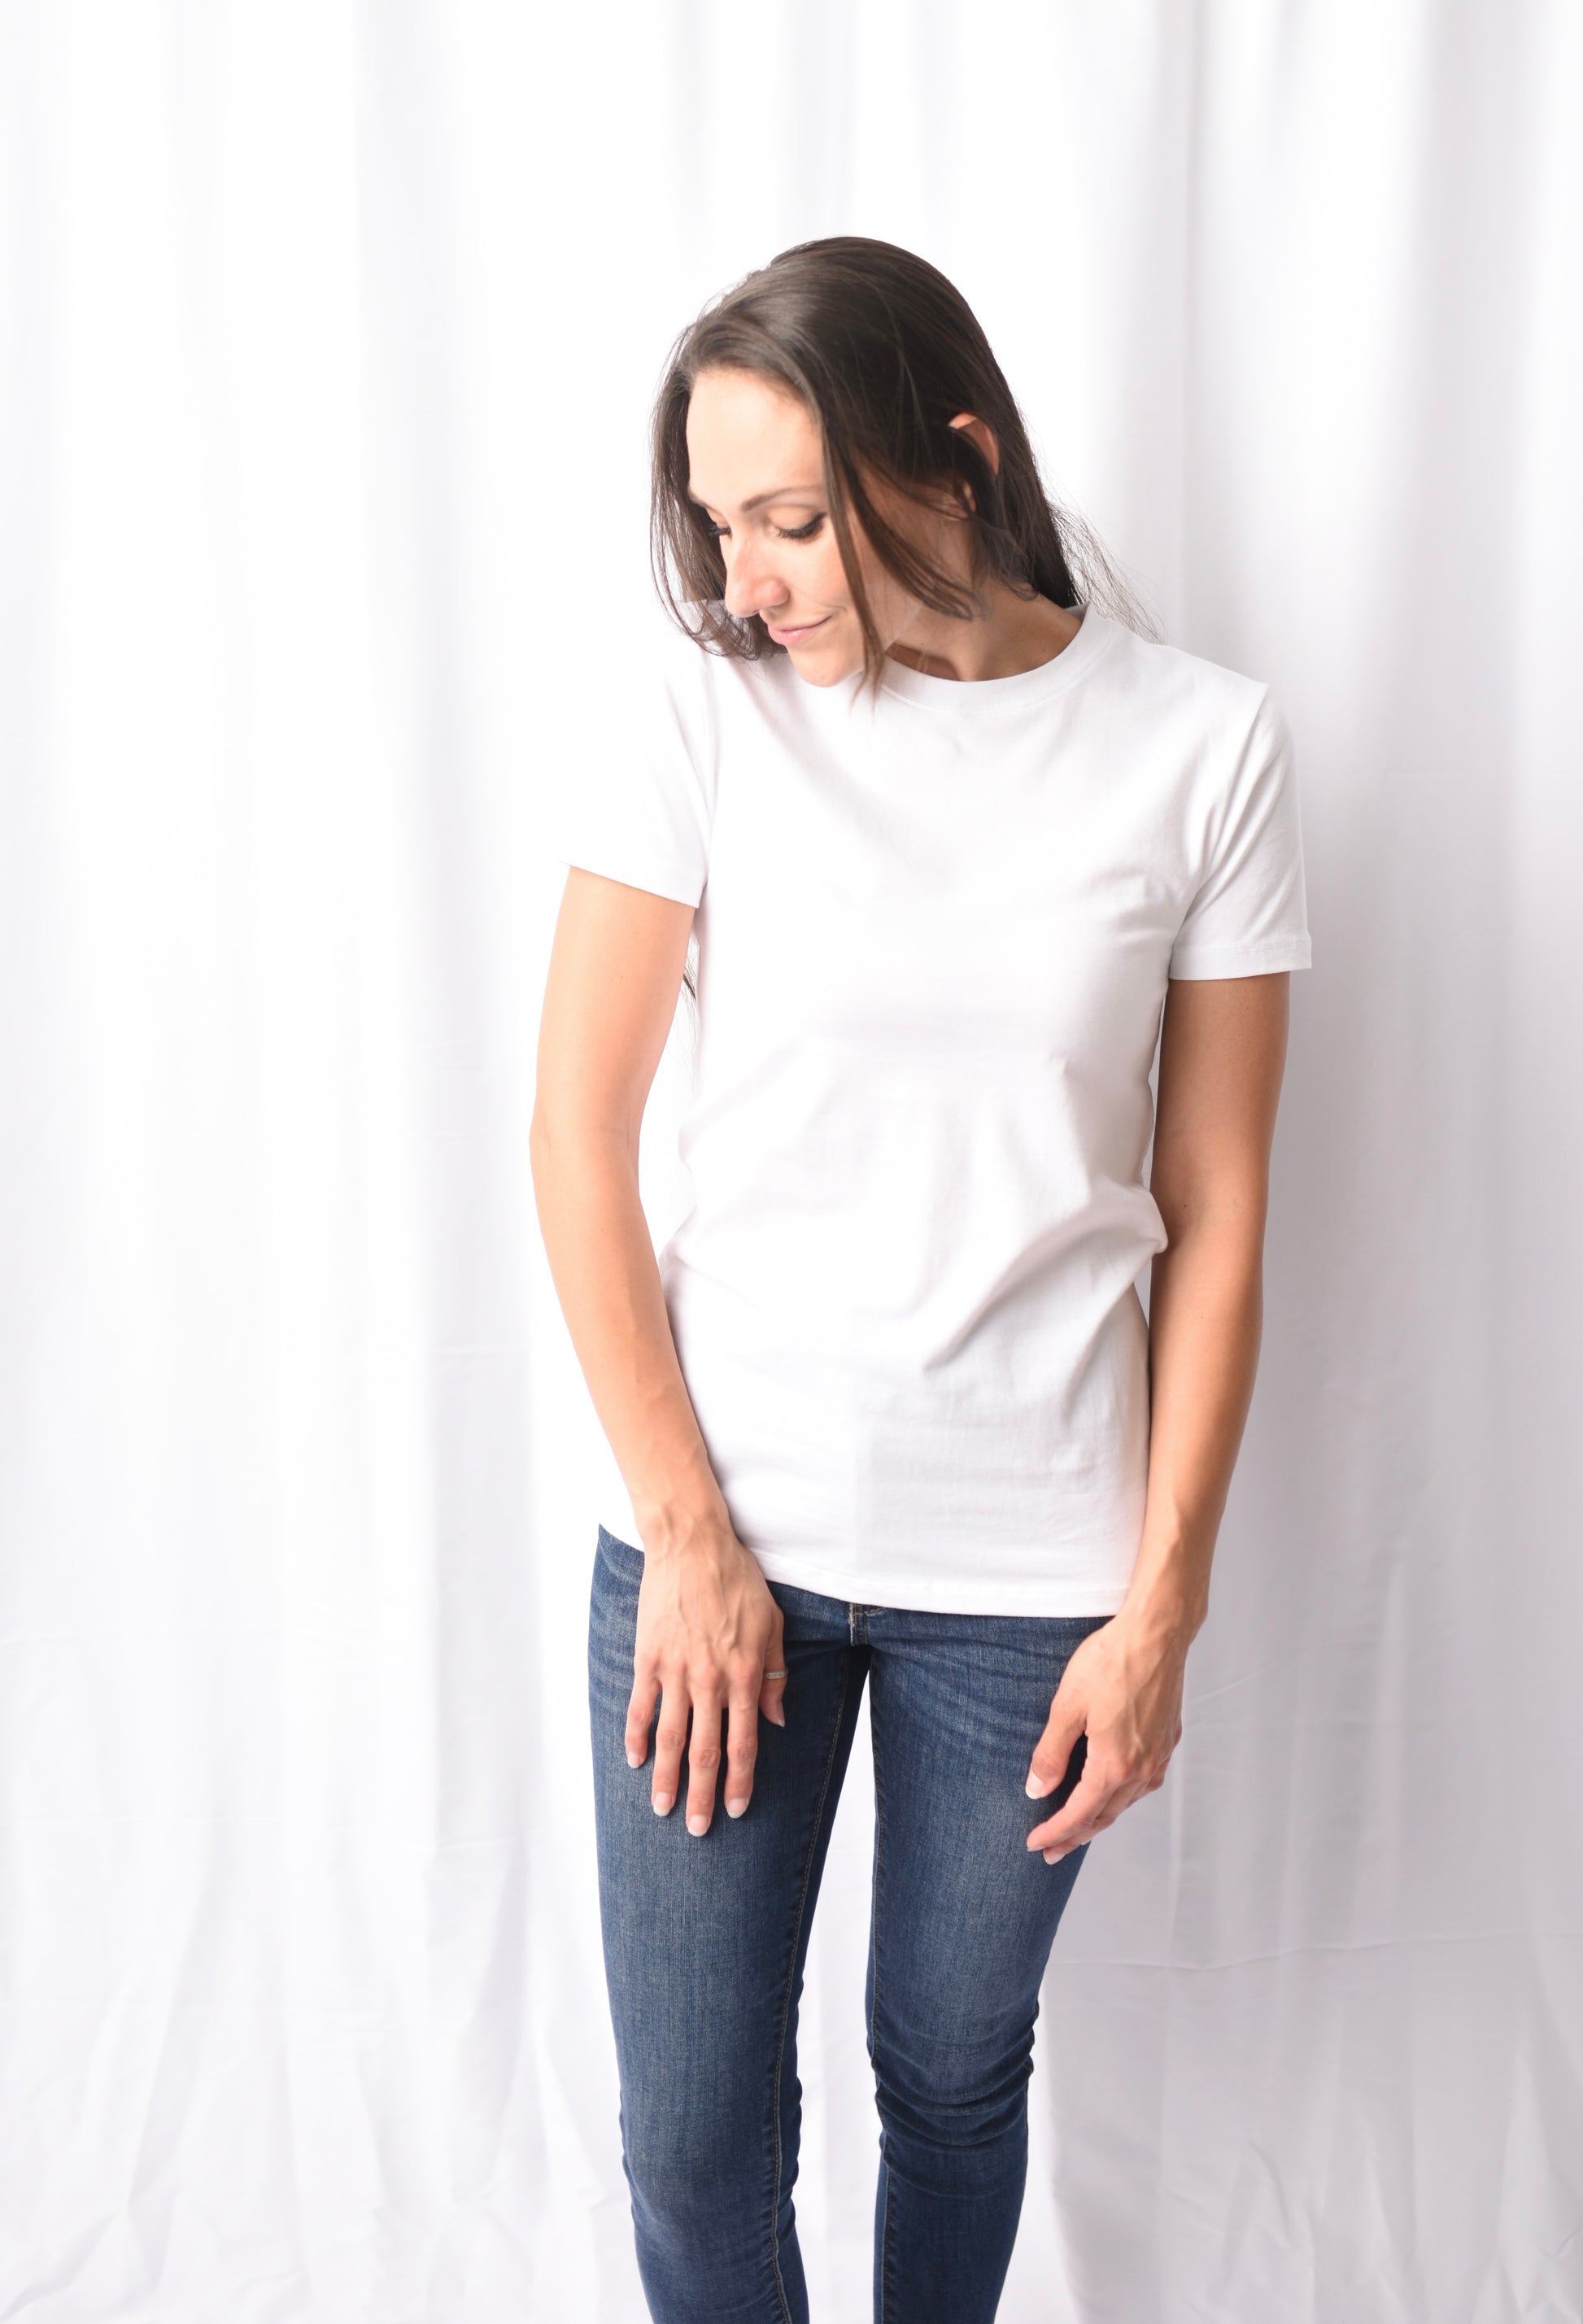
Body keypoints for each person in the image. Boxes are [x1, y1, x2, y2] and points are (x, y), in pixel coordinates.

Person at [530, 235, 1310, 2323]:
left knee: (953, 2084)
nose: (747, 579)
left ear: (951, 461)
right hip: (719, 1539)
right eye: (719, 524)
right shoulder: (705, 710)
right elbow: (573, 1133)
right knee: (694, 2135)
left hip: (1035, 1569)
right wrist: (688, 1535)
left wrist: (1163, 1605)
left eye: (790, 521)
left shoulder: (1202, 747)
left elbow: (1219, 1204)